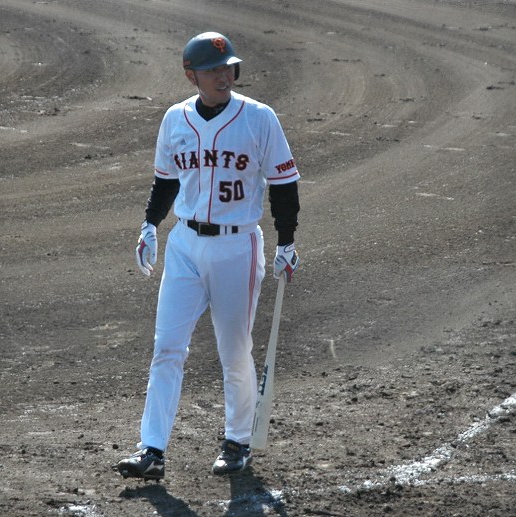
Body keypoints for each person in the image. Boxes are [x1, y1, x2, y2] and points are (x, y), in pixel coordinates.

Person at [117, 31, 300, 481]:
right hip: (184, 245)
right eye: (213, 70)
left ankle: (237, 441)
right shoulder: (175, 119)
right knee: (166, 348)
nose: (224, 76)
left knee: (234, 350)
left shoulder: (259, 118)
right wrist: (149, 224)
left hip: (238, 246)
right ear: (191, 76)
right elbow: (166, 180)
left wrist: (287, 241)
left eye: (228, 68)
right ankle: (152, 449)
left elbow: (284, 184)